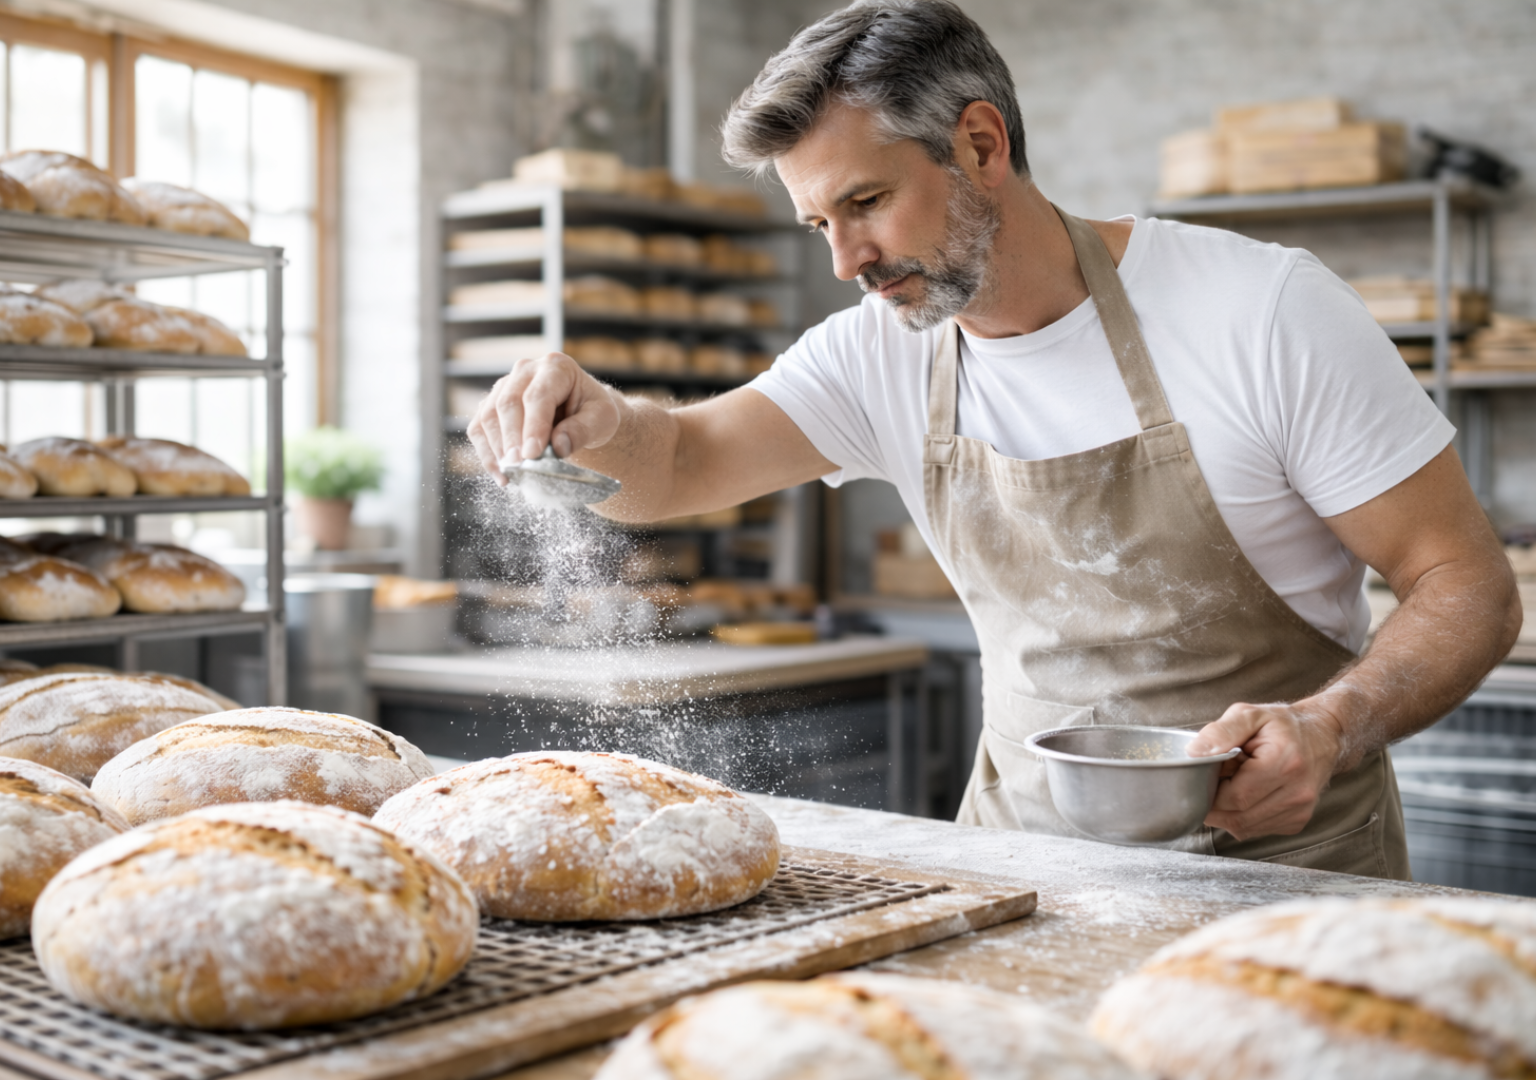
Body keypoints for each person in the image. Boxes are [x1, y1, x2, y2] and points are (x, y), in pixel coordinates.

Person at [468, 0, 1520, 877]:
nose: (846, 261)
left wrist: (1331, 724)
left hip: (1286, 881)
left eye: (866, 202)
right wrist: (602, 424)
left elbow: (1466, 584)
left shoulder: (1262, 312)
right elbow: (684, 462)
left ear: (981, 144)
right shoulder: (878, 352)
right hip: (1026, 875)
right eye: (816, 224)